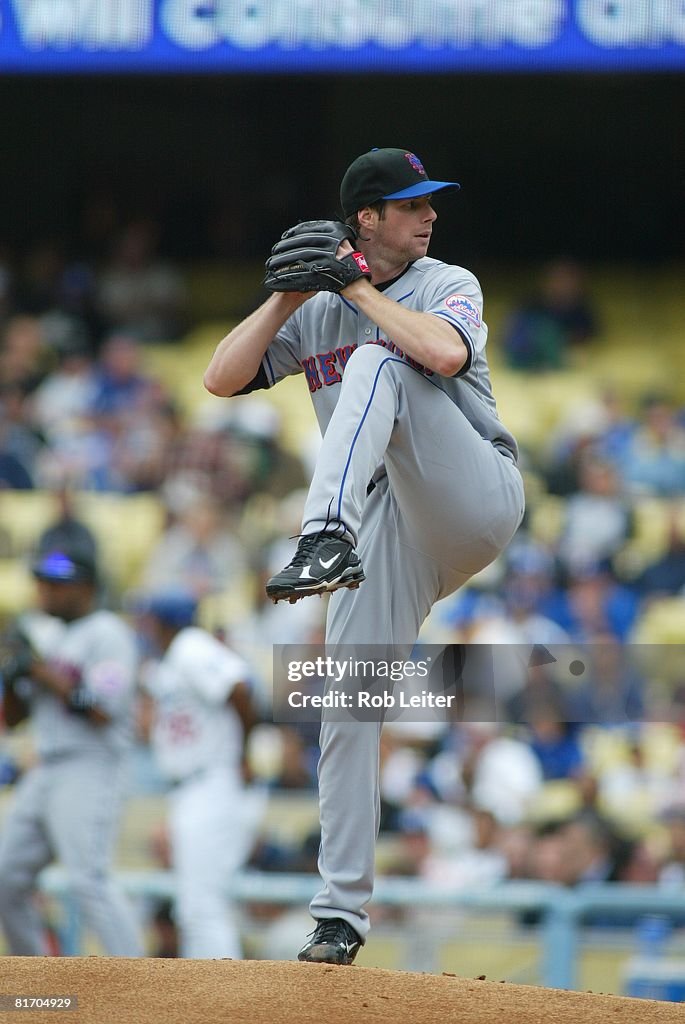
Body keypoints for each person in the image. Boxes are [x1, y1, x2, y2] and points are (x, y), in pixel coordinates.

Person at [203, 147, 525, 963]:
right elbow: (219, 378)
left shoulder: (446, 281)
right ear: (366, 219)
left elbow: (443, 357)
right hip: (385, 529)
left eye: (429, 203)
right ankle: (339, 916)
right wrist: (284, 298)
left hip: (469, 490)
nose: (429, 214)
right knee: (343, 696)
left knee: (385, 359)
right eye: (411, 204)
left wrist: (351, 287)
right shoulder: (314, 311)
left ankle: (320, 535)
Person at [0, 543, 143, 956]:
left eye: (56, 583)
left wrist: (39, 669)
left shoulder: (109, 633)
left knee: (87, 879)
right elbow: (13, 719)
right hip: (44, 765)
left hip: (90, 764)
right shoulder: (51, 635)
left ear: (86, 587)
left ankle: (139, 979)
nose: (44, 590)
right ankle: (36, 979)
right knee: (7, 877)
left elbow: (101, 709)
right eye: (42, 582)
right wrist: (14, 675)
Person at [135, 589, 265, 959]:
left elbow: (240, 688)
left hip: (210, 782)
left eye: (149, 621)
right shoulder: (173, 659)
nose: (145, 628)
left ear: (163, 622)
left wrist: (244, 754)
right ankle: (214, 999)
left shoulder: (190, 645)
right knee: (196, 906)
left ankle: (223, 1000)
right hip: (194, 787)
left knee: (202, 906)